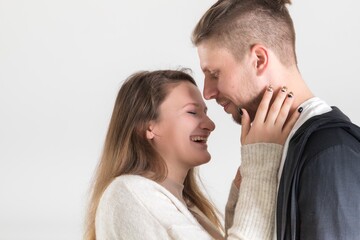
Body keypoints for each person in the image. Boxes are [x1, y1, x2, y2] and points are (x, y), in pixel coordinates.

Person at [192, 0, 360, 239]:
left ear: (259, 59)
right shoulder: (275, 151)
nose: (207, 92)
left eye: (214, 74)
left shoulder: (331, 151)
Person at [83, 69, 299, 240]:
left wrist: (244, 189)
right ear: (148, 127)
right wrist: (260, 163)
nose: (210, 124)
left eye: (205, 113)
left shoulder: (185, 205)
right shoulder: (129, 192)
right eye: (192, 112)